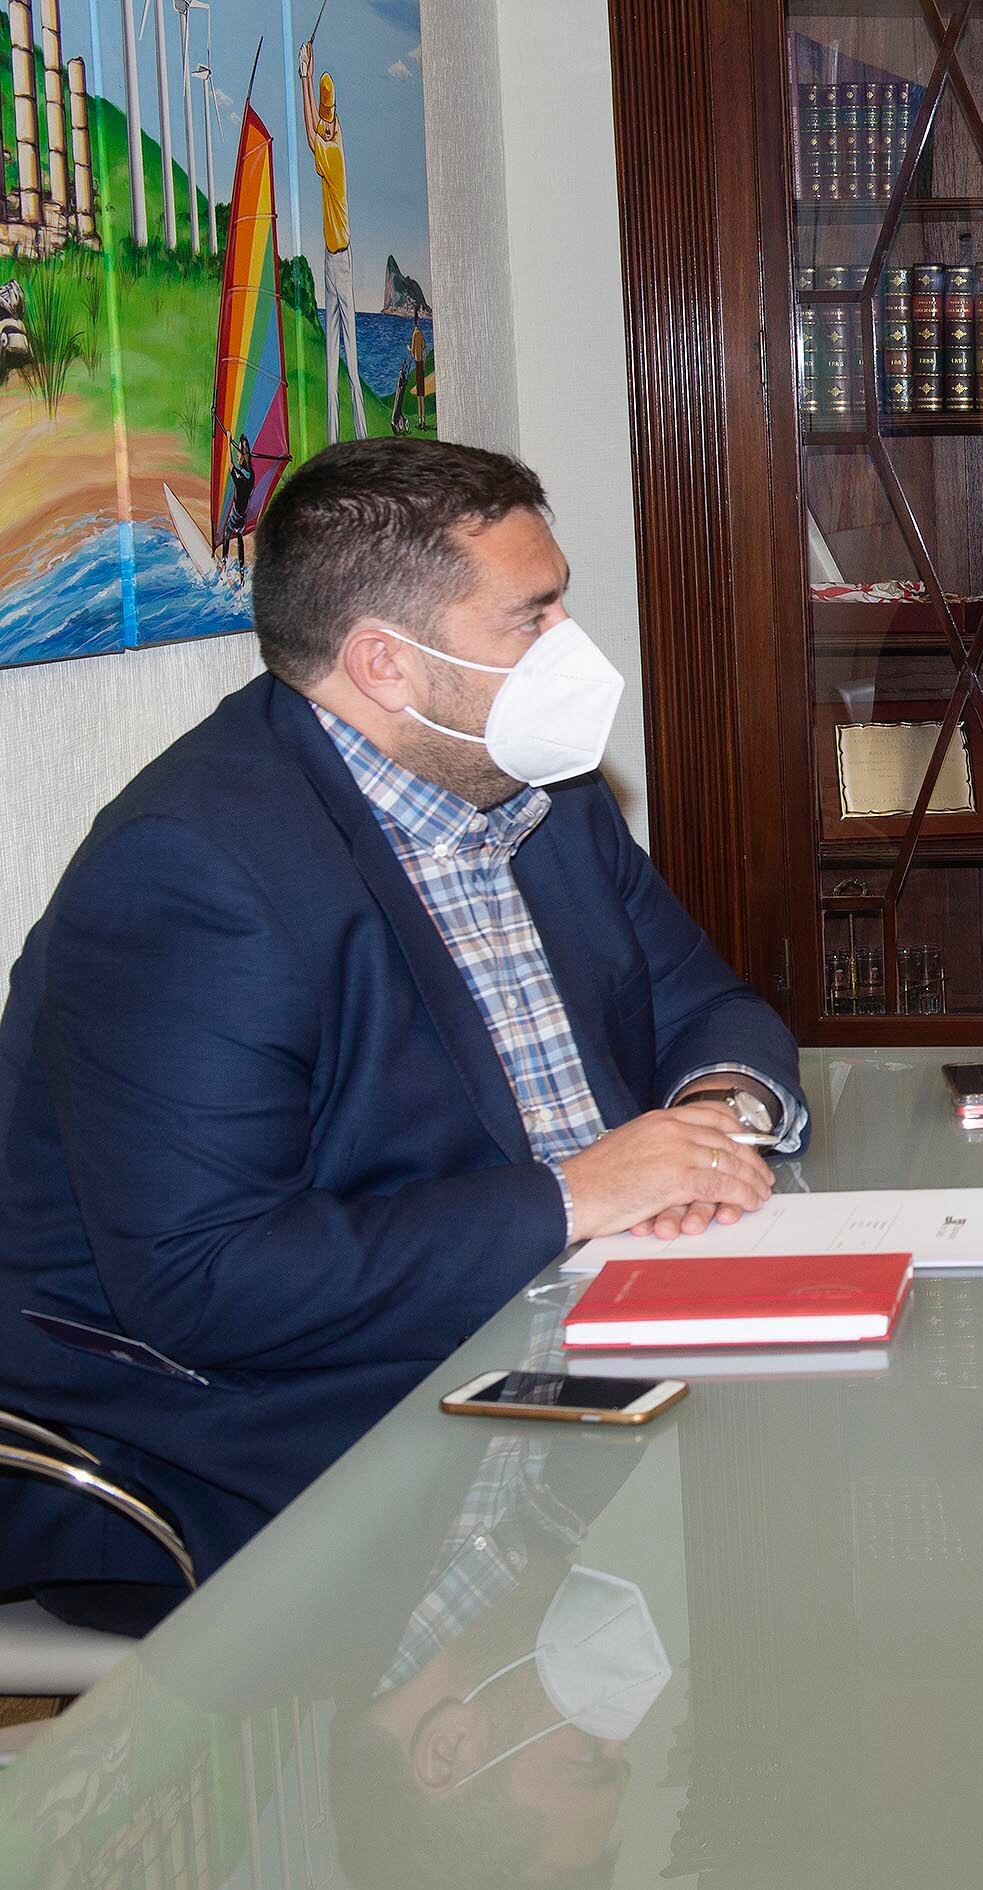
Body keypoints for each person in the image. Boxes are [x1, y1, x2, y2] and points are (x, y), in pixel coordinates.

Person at [0, 439, 804, 1630]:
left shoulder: (536, 786)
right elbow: (205, 1283)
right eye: (531, 619)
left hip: (568, 1320)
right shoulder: (194, 874)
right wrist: (576, 1196)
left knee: (826, 1460)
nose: (574, 650)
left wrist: (708, 1118)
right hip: (270, 1434)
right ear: (385, 663)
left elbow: (709, 1005)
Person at [299, 42, 366, 441]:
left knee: (352, 363)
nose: (325, 126)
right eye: (326, 121)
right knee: (329, 359)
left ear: (334, 120)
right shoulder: (335, 132)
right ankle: (332, 444)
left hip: (342, 260)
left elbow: (310, 134)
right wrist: (310, 69)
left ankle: (360, 440)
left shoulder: (333, 153)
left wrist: (305, 75)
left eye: (328, 121)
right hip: (329, 257)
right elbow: (314, 124)